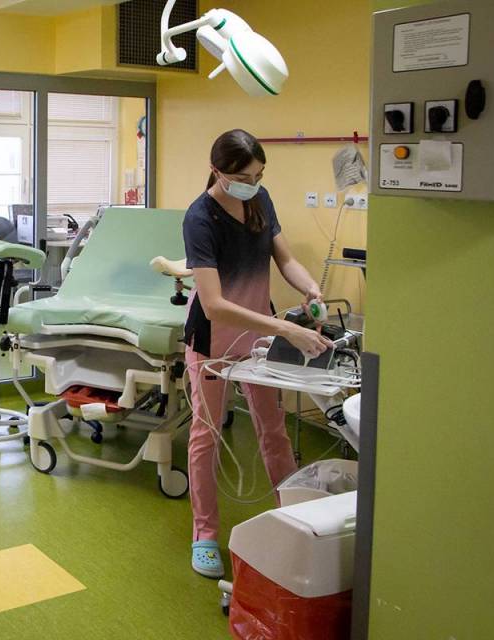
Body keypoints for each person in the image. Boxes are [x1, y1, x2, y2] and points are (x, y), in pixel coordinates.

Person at [182, 129, 331, 578]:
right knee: (206, 436)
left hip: (257, 339)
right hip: (212, 341)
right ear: (217, 171)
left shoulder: (260, 201)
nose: (253, 183)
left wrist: (310, 287)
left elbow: (284, 258)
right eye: (244, 177)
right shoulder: (200, 219)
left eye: (259, 175)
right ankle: (205, 534)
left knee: (274, 431)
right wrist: (286, 328)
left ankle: (292, 518)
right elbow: (213, 304)